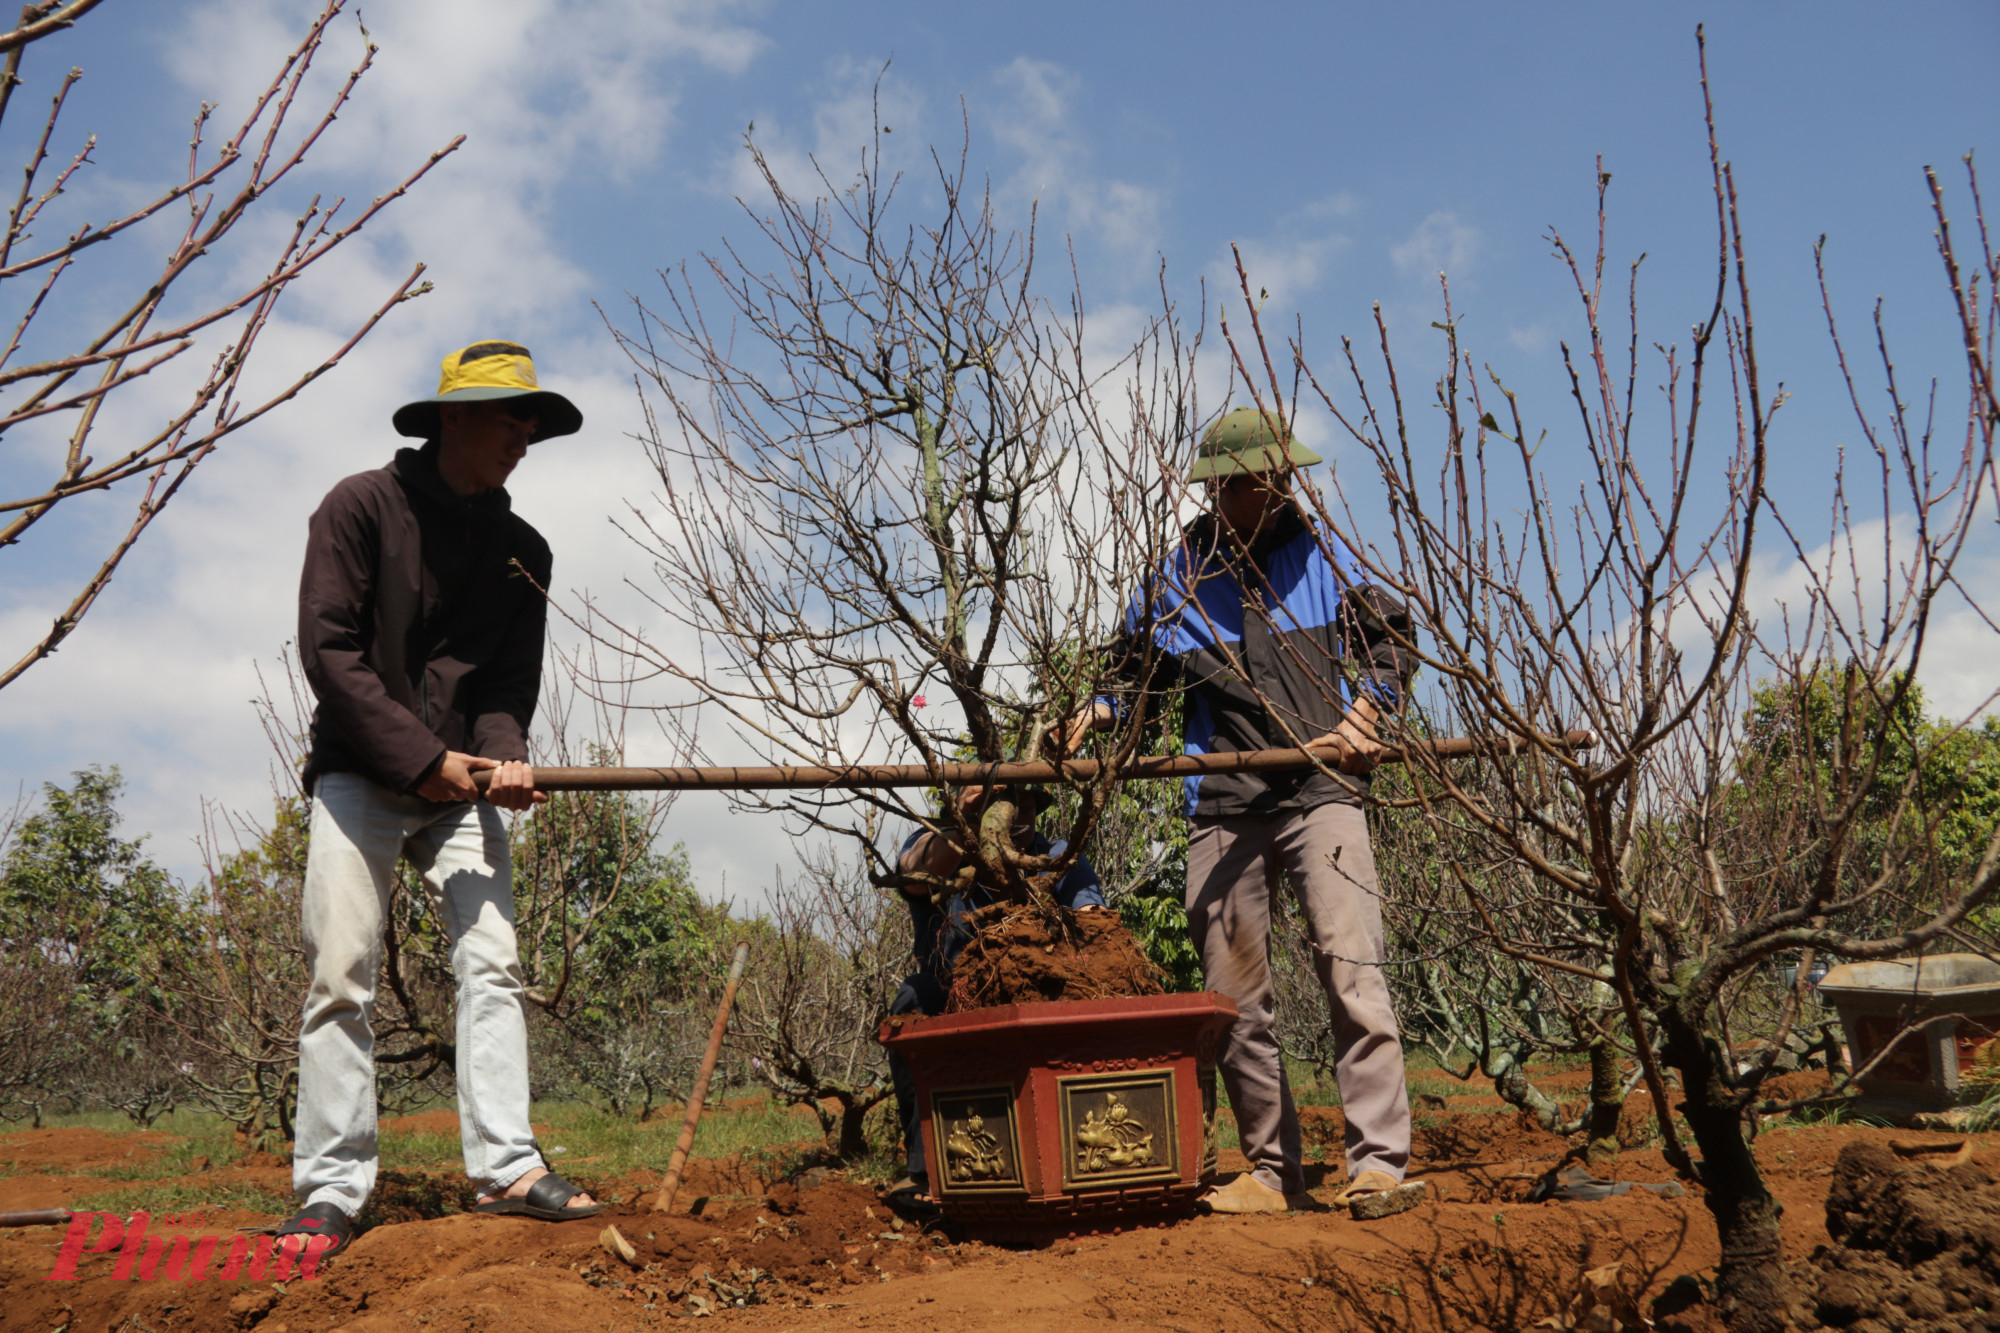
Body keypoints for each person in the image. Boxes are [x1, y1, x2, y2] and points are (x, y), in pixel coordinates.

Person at [275, 341, 599, 1257]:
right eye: (510, 420)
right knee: (341, 971)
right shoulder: (358, 507)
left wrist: (507, 759)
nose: (523, 440)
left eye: (532, 426)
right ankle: (330, 1188)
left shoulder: (524, 551)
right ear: (453, 416)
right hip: (361, 772)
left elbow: (505, 686)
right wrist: (421, 759)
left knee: (492, 962)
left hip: (465, 789)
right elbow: (330, 652)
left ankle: (508, 1168)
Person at [1057, 407, 1417, 1215]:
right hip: (1223, 801)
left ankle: (1378, 1164)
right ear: (1220, 488)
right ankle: (1271, 1170)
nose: (1280, 487)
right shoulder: (1177, 575)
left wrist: (1367, 714)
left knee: (1352, 972)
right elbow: (1133, 675)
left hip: (1322, 789)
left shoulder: (1325, 551)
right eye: (1262, 478)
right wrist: (1099, 712)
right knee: (1236, 994)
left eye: (1284, 474)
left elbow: (1390, 640)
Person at [883, 785, 1105, 1210]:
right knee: (913, 997)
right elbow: (913, 872)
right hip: (953, 999)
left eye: (1026, 806)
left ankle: (1079, 1157)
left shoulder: (1055, 855)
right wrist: (962, 823)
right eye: (1001, 806)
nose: (1015, 818)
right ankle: (926, 1170)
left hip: (1040, 998)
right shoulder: (939, 846)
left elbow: (1093, 919)